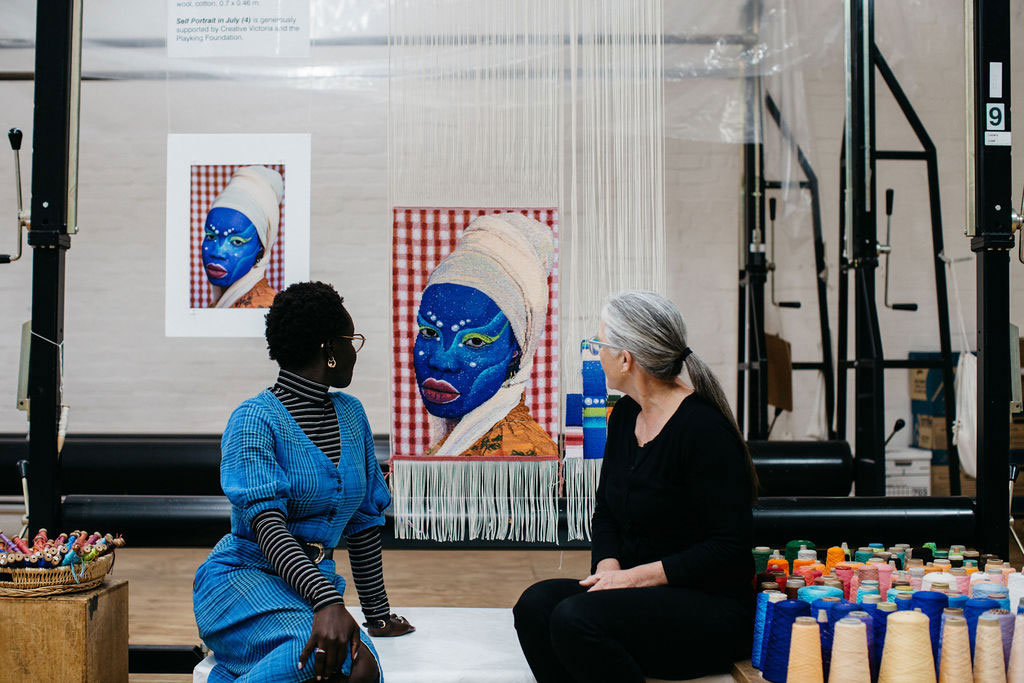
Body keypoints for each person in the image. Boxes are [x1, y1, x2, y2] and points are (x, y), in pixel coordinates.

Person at [513, 290, 758, 682]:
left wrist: (629, 579)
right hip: (639, 595)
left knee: (575, 619)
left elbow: (727, 549)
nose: (596, 352)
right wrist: (609, 568)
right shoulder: (626, 414)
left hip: (708, 608)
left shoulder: (704, 430)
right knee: (535, 605)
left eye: (599, 344)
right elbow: (607, 511)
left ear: (625, 359)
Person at [193, 282, 413, 683]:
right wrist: (327, 600)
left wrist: (377, 614)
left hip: (312, 583)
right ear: (329, 349)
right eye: (351, 341)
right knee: (325, 658)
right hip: (243, 580)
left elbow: (363, 524)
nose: (354, 352)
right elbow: (268, 529)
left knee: (363, 668)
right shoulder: (254, 420)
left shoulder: (352, 414)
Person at [413, 212, 557, 457]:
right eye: (429, 332)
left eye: (476, 341)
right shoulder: (453, 444)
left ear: (517, 350)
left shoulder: (520, 455)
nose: (441, 360)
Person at [201, 165, 283, 309]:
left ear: (261, 249)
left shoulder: (261, 306)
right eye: (211, 236)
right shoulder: (223, 303)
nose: (218, 252)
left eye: (237, 241)